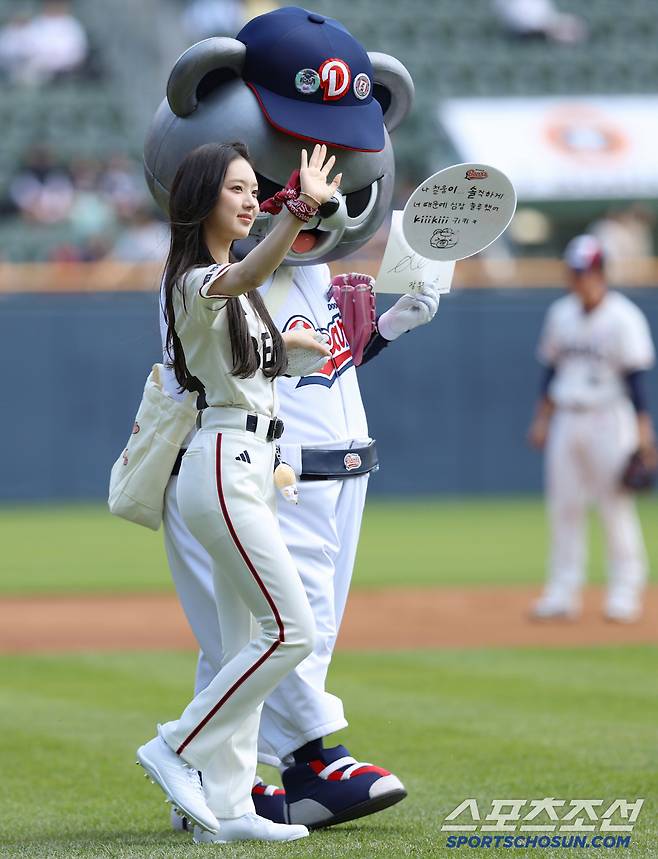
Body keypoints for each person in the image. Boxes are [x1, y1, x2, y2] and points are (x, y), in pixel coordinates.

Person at [137, 139, 342, 844]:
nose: (251, 199)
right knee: (292, 631)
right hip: (222, 463)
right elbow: (254, 267)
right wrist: (301, 206)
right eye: (236, 190)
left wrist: (299, 348)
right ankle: (177, 742)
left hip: (250, 464)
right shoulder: (196, 276)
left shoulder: (235, 281)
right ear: (200, 202)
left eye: (256, 188)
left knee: (244, 642)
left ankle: (227, 806)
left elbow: (256, 356)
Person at [528, 235, 656, 623]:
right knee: (564, 506)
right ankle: (563, 591)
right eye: (574, 272)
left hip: (609, 417)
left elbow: (636, 382)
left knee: (614, 505)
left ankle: (626, 590)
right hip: (567, 415)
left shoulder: (624, 317)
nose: (577, 279)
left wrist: (644, 435)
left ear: (601, 273)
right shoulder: (561, 313)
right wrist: (543, 418)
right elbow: (551, 370)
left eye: (584, 272)